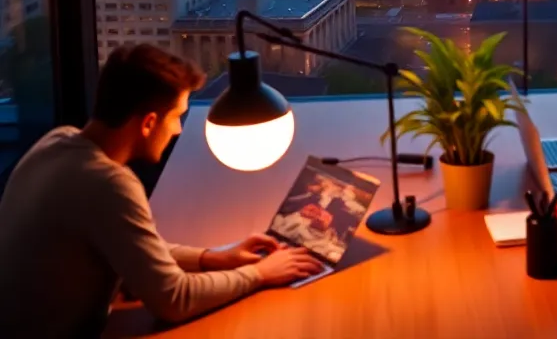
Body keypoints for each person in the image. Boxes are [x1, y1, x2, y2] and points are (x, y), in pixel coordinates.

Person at [0, 44, 324, 337]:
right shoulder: (107, 183)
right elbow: (173, 299)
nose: (178, 129)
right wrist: (259, 274)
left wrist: (212, 258)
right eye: (176, 117)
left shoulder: (57, 143)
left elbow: (133, 246)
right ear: (148, 123)